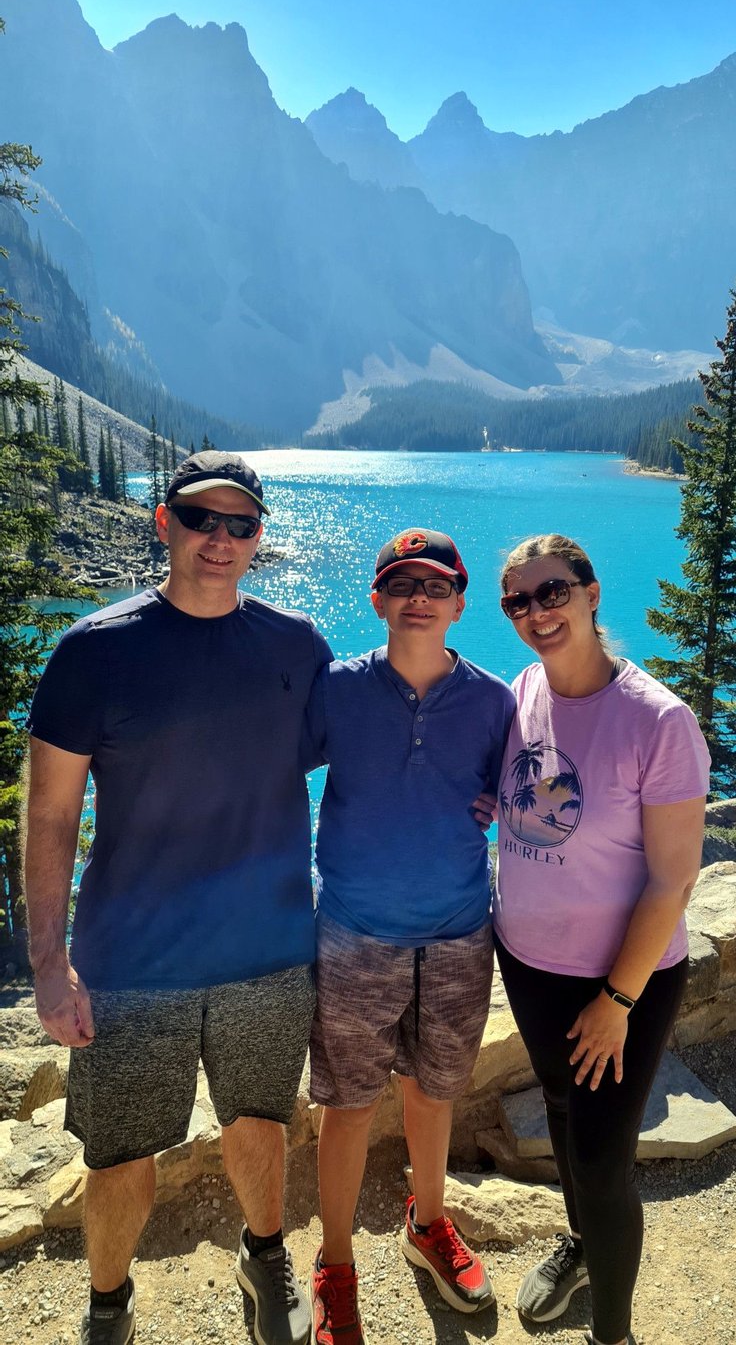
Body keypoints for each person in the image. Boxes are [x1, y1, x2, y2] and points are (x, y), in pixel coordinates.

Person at [24, 451, 332, 1345]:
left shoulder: (296, 646)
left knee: (261, 1124)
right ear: (165, 523)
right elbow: (48, 820)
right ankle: (108, 1304)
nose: (221, 539)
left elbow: (364, 746)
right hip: (131, 961)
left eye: (241, 525)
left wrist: (469, 788)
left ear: (257, 539)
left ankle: (265, 1257)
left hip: (268, 950)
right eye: (203, 519)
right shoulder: (94, 651)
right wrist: (51, 962)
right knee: (119, 1156)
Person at [489, 533, 709, 1345]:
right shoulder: (523, 691)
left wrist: (618, 998)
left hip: (618, 981)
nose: (537, 612)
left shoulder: (658, 720)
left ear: (590, 592)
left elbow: (672, 880)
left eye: (552, 592)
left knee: (601, 1161)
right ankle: (580, 1247)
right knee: (559, 1111)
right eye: (519, 600)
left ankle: (611, 1335)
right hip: (528, 960)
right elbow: (517, 793)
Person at [305, 528, 516, 1345]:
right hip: (357, 931)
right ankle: (335, 1263)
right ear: (378, 600)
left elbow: (525, 789)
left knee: (435, 1090)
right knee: (348, 1104)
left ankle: (428, 1224)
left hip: (462, 932)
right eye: (401, 582)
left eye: (436, 584)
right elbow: (267, 765)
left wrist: (503, 804)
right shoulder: (337, 690)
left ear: (460, 604)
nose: (418, 596)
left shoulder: (495, 701)